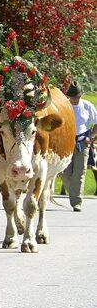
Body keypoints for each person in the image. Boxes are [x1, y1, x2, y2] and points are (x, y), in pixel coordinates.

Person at [62, 81, 97, 211]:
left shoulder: (87, 106)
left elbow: (96, 123)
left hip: (83, 142)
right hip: (66, 142)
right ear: (69, 96)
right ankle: (74, 192)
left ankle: (76, 202)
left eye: (77, 97)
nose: (75, 99)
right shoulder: (64, 106)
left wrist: (91, 137)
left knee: (79, 172)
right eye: (72, 97)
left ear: (80, 96)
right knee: (65, 173)